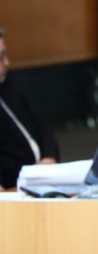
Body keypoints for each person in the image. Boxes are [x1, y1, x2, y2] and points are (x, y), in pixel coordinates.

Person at [0, 28, 59, 191]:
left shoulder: (11, 85)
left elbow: (42, 125)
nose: (7, 62)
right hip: (15, 190)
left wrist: (49, 157)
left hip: (42, 178)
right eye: (0, 57)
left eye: (5, 54)